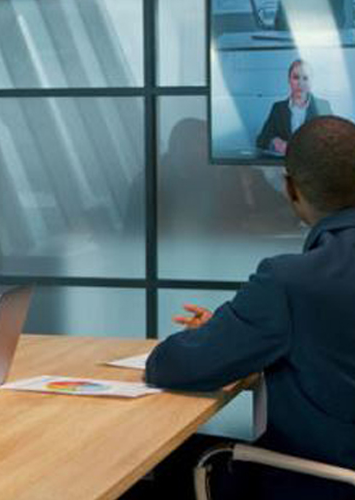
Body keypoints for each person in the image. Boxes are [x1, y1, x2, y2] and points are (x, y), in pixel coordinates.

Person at [146, 116, 355, 498]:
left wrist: (221, 334)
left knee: (167, 466)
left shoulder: (290, 281)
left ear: (291, 190)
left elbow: (174, 366)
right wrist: (242, 329)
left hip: (321, 480)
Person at [256, 59, 332, 155]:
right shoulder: (278, 108)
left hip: (315, 166)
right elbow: (261, 140)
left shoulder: (323, 106)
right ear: (289, 80)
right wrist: (274, 142)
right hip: (285, 166)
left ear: (311, 81)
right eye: (296, 77)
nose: (300, 83)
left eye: (305, 78)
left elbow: (332, 141)